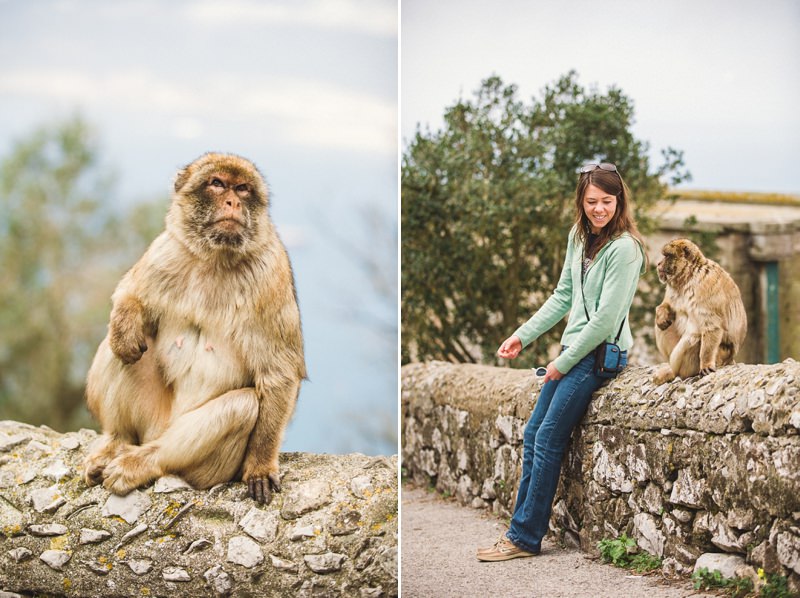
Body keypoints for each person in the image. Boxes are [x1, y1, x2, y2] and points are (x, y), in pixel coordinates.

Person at [477, 162, 646, 562]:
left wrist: (563, 362)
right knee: (534, 433)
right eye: (592, 201)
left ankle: (524, 537)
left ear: (619, 200)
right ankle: (521, 532)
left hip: (600, 357)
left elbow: (605, 319)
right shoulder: (579, 237)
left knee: (550, 436)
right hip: (575, 353)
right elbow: (563, 296)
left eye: (607, 201)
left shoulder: (626, 249)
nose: (599, 209)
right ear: (581, 202)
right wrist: (522, 334)